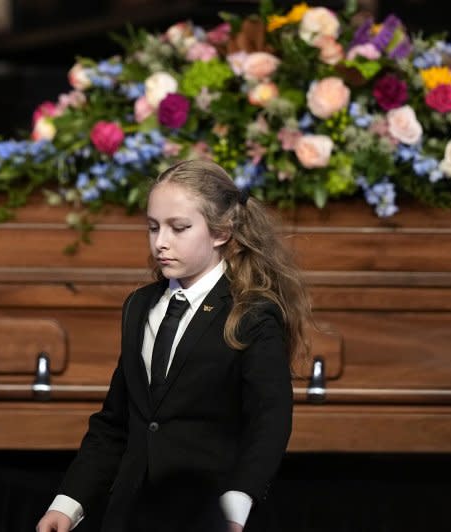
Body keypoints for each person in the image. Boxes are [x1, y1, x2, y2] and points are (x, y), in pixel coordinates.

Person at [36, 159, 312, 532]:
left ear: (221, 232)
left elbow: (269, 422)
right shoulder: (139, 306)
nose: (160, 242)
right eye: (153, 227)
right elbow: (116, 422)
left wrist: (235, 506)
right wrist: (68, 503)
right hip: (131, 514)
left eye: (179, 228)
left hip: (209, 516)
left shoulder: (251, 314)